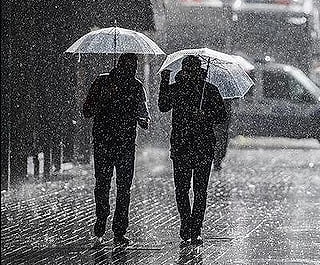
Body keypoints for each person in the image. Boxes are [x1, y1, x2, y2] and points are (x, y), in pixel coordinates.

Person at [158, 56, 227, 245]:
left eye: (193, 70)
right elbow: (163, 106)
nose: (190, 73)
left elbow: (221, 116)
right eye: (187, 70)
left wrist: (204, 114)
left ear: (199, 71)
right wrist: (164, 82)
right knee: (181, 189)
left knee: (200, 190)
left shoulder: (209, 90)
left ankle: (196, 228)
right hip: (181, 145)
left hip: (203, 146)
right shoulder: (177, 88)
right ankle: (186, 222)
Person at [82, 53, 149, 247]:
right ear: (119, 65)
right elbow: (87, 111)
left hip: (125, 144)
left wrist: (142, 119)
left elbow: (143, 113)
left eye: (133, 67)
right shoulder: (102, 82)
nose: (131, 71)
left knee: (123, 188)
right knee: (103, 185)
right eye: (128, 66)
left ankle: (119, 230)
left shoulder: (136, 87)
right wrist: (104, 98)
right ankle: (101, 221)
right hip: (104, 142)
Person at [213, 99, 232, 171]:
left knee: (222, 144)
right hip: (219, 125)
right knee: (220, 143)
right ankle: (216, 161)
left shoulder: (228, 100)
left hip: (223, 126)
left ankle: (217, 161)